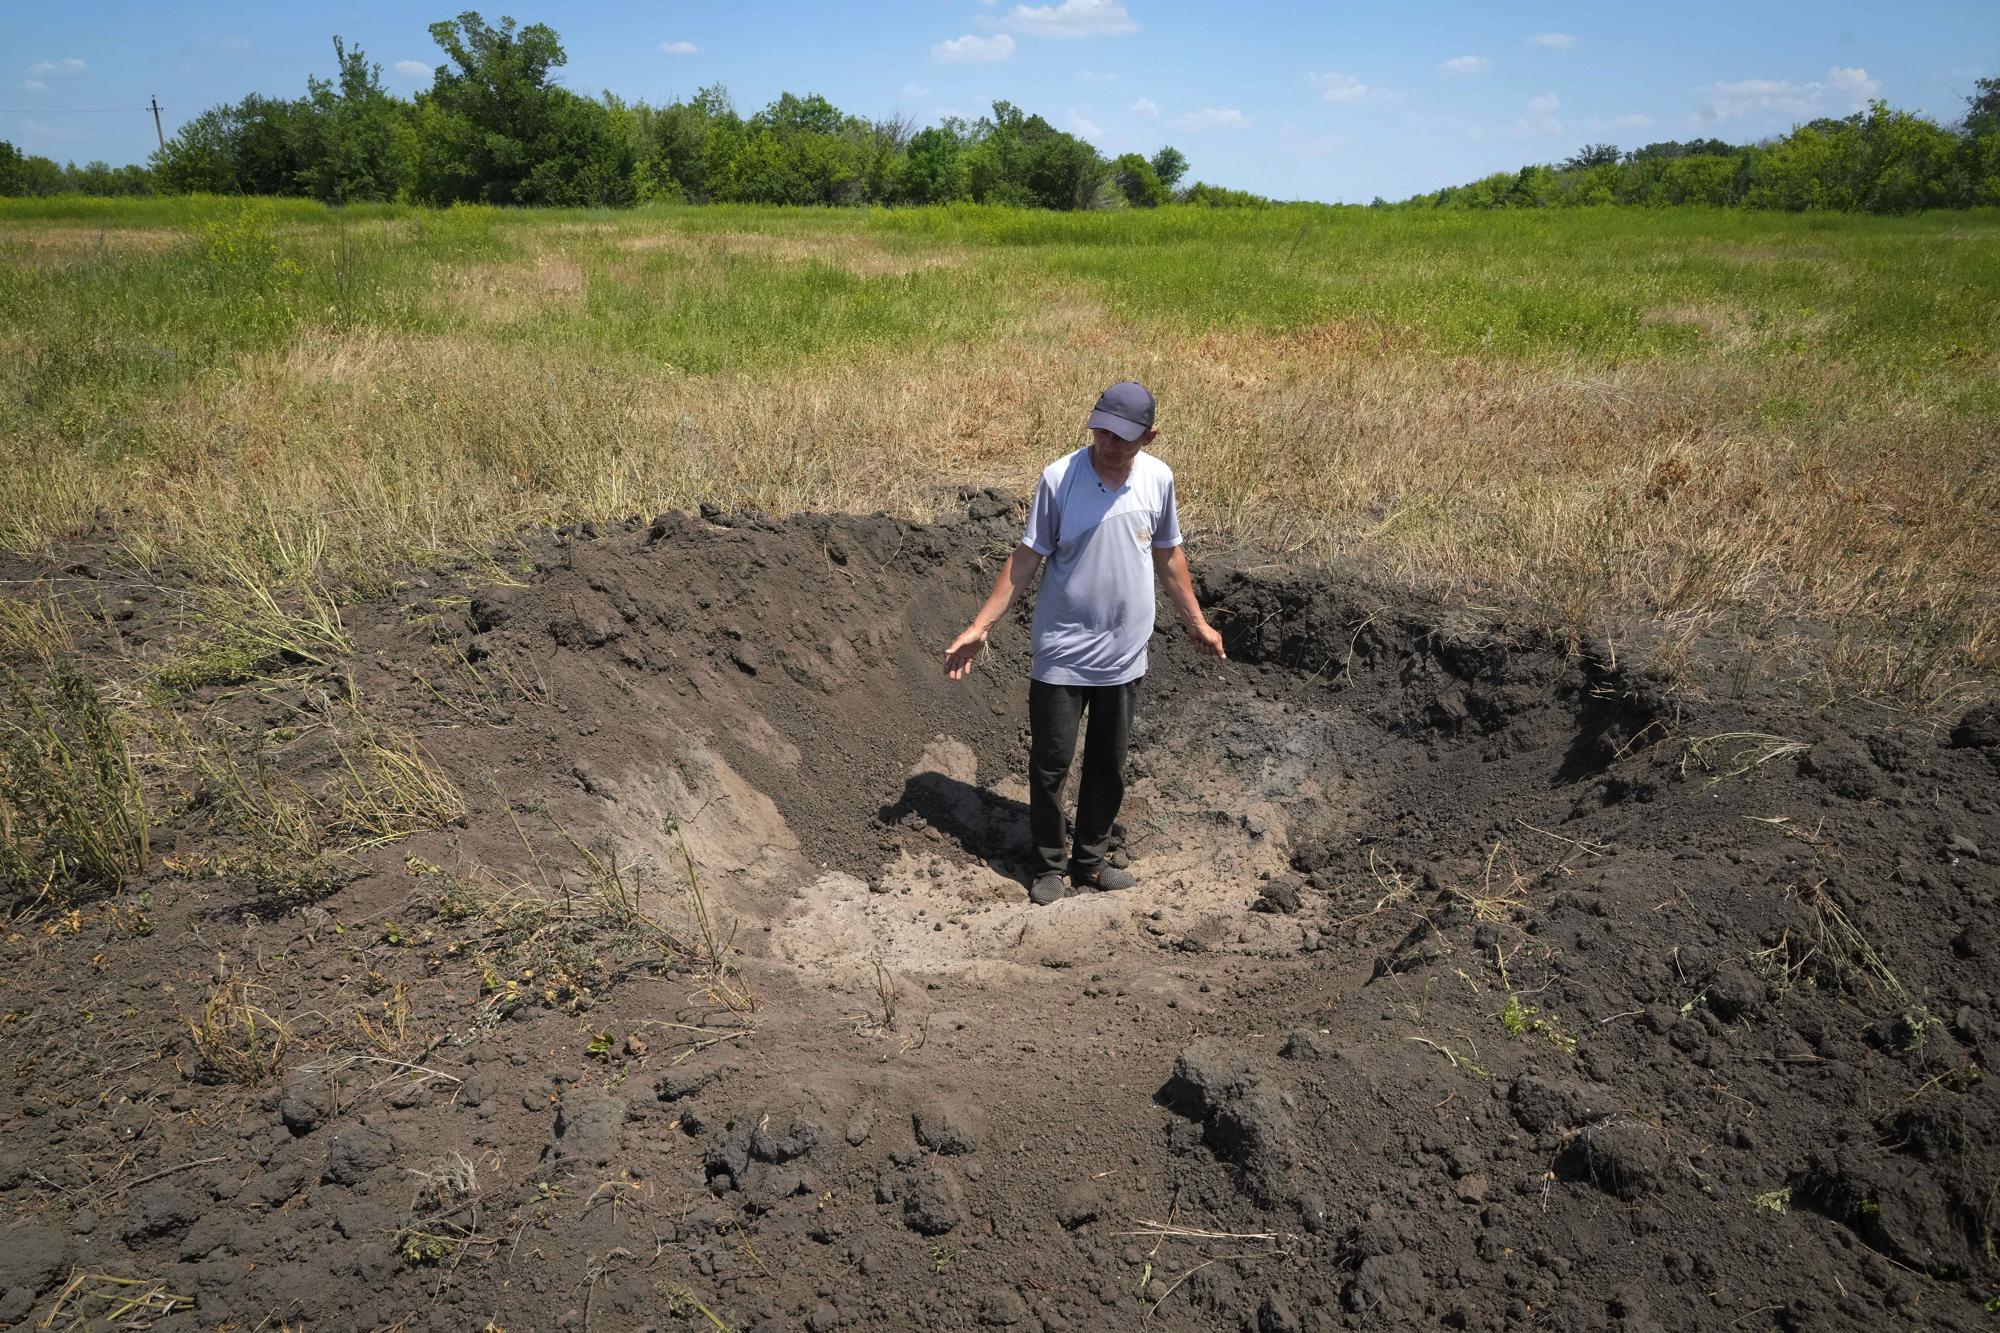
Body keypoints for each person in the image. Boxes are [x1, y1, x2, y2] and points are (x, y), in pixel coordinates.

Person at [944, 381, 1226, 906]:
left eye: (1122, 436)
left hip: (1124, 652)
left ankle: (1090, 861)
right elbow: (1027, 556)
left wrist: (1196, 621)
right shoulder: (1060, 478)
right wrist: (980, 626)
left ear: (1150, 435)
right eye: (1100, 430)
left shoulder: (1158, 479)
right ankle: (1049, 863)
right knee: (1051, 762)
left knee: (1108, 763)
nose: (1108, 443)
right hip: (1062, 651)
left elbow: (1169, 555)